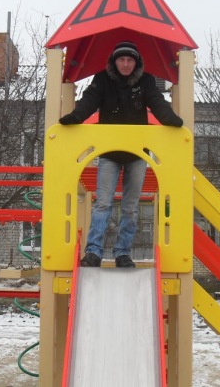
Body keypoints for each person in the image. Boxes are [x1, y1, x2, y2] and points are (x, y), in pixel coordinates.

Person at [59, 41, 183, 268]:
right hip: (109, 152)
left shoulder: (145, 81)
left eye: (130, 60)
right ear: (114, 62)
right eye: (121, 60)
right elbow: (89, 101)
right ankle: (93, 251)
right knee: (103, 203)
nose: (126, 64)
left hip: (137, 154)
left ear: (136, 62)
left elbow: (157, 102)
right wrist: (75, 117)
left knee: (131, 206)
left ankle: (123, 253)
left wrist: (171, 120)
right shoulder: (103, 80)